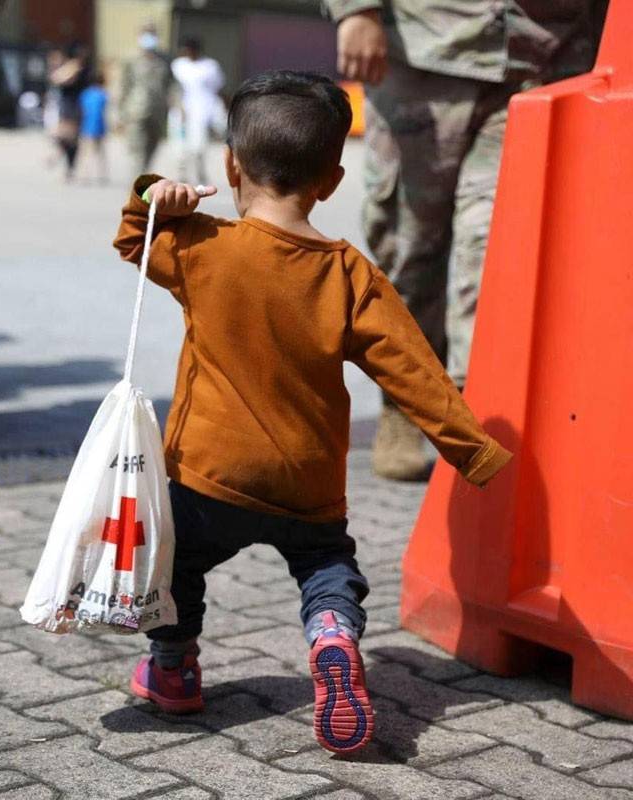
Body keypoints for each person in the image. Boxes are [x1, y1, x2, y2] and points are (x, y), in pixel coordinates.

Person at [112, 71, 512, 753]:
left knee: (175, 568)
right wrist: (473, 449)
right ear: (331, 179)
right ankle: (331, 633)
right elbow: (412, 370)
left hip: (211, 475)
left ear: (231, 165)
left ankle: (174, 672)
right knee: (327, 568)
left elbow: (134, 241)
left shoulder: (205, 247)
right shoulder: (349, 273)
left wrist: (155, 194)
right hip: (309, 482)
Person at [326, 0, 606, 480]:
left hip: (546, 58)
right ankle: (404, 404)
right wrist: (357, 11)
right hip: (423, 52)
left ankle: (472, 414)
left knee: (499, 245)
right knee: (409, 244)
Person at [119, 24, 173, 174]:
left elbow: (171, 84)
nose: (149, 37)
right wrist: (120, 114)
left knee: (152, 148)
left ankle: (142, 176)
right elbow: (124, 87)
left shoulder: (165, 59)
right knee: (138, 151)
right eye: (146, 33)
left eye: (152, 33)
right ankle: (138, 184)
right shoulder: (131, 59)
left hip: (158, 112)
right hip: (136, 111)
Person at [170, 37, 224, 185]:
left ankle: (200, 174)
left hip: (201, 113)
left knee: (199, 147)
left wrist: (216, 115)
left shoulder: (210, 66)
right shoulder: (178, 66)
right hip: (180, 113)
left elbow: (217, 88)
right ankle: (182, 175)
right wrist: (178, 106)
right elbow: (173, 89)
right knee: (180, 148)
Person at [48, 44, 89, 182]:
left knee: (70, 137)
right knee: (67, 137)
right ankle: (65, 163)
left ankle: (65, 163)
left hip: (74, 105)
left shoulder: (76, 66)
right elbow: (57, 78)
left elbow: (59, 78)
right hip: (67, 104)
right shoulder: (71, 65)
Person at [77, 71, 110, 183]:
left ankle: (83, 175)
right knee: (101, 154)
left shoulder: (85, 94)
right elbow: (106, 112)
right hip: (100, 127)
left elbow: (81, 110)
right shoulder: (103, 95)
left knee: (85, 154)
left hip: (86, 126)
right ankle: (102, 175)